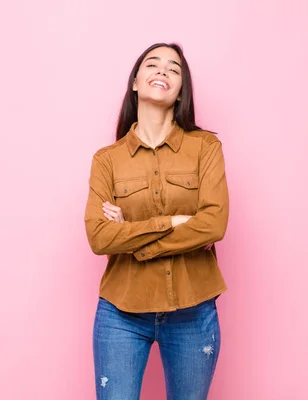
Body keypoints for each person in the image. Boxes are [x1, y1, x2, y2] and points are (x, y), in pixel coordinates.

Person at [84, 42, 229, 400]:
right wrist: (174, 222)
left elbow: (213, 224)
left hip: (193, 311)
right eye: (152, 64)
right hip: (121, 312)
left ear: (181, 91)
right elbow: (99, 238)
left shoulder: (205, 148)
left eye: (174, 69)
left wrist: (133, 241)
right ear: (135, 81)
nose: (162, 71)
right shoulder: (107, 160)